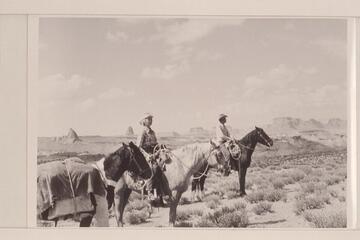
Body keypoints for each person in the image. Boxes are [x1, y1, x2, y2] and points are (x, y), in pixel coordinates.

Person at [136, 113, 170, 204]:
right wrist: (147, 155)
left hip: (154, 154)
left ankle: (163, 193)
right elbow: (138, 147)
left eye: (151, 119)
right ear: (144, 121)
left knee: (164, 165)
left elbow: (155, 144)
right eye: (148, 119)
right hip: (144, 156)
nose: (151, 120)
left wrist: (161, 148)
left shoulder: (152, 132)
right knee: (153, 168)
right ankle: (150, 191)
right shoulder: (142, 132)